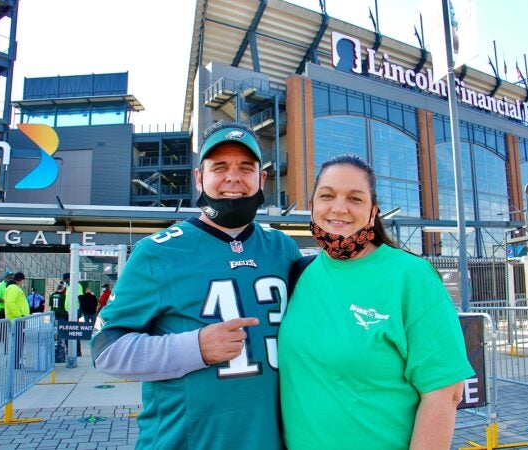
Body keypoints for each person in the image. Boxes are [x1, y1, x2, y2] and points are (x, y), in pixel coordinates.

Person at [90, 122, 301, 449]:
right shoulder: (158, 251)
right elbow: (106, 349)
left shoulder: (282, 248)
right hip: (186, 441)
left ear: (262, 179)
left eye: (246, 168)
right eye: (220, 167)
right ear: (199, 177)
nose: (233, 177)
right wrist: (195, 348)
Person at [278, 154, 474, 450]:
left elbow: (444, 393)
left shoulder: (410, 276)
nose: (339, 208)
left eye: (355, 199)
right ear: (313, 205)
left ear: (373, 213)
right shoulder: (300, 274)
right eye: (327, 196)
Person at [4, 272, 30, 369]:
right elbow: (10, 303)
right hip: (16, 319)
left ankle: (15, 361)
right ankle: (14, 362)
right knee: (18, 342)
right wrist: (19, 315)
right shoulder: (14, 289)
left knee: (18, 341)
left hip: (16, 319)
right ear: (21, 280)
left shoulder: (13, 288)